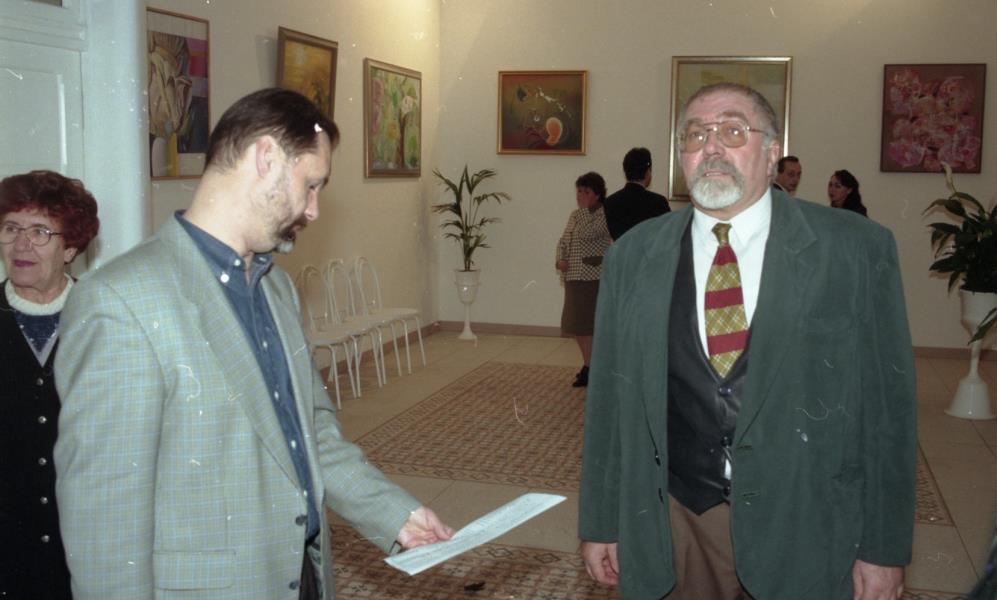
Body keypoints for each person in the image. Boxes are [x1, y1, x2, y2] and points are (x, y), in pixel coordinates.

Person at [53, 88, 453, 599]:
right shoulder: (122, 302)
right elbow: (105, 526)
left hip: (299, 575)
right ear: (266, 158)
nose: (313, 210)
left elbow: (312, 436)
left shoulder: (275, 287)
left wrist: (396, 514)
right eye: (311, 185)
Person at [579, 82, 915, 599]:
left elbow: (889, 414)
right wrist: (602, 521)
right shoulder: (633, 256)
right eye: (695, 135)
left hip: (807, 519)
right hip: (680, 517)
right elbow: (608, 402)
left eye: (733, 131)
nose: (711, 147)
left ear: (773, 151)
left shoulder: (854, 249)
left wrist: (884, 547)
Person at [0, 171, 99, 599]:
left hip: (84, 548)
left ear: (71, 247)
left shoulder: (104, 319)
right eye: (11, 228)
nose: (21, 244)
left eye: (40, 232)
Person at [556, 172, 613, 387]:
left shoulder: (604, 213)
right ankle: (589, 365)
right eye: (579, 191)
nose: (580, 195)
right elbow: (564, 240)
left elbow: (591, 233)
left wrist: (585, 211)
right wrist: (560, 259)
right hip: (573, 276)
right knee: (576, 325)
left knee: (589, 325)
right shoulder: (575, 214)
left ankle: (592, 367)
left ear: (597, 194)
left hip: (593, 277)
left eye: (585, 191)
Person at [603, 147, 670, 240]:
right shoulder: (659, 202)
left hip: (622, 249)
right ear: (647, 171)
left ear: (625, 171)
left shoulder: (609, 202)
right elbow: (668, 235)